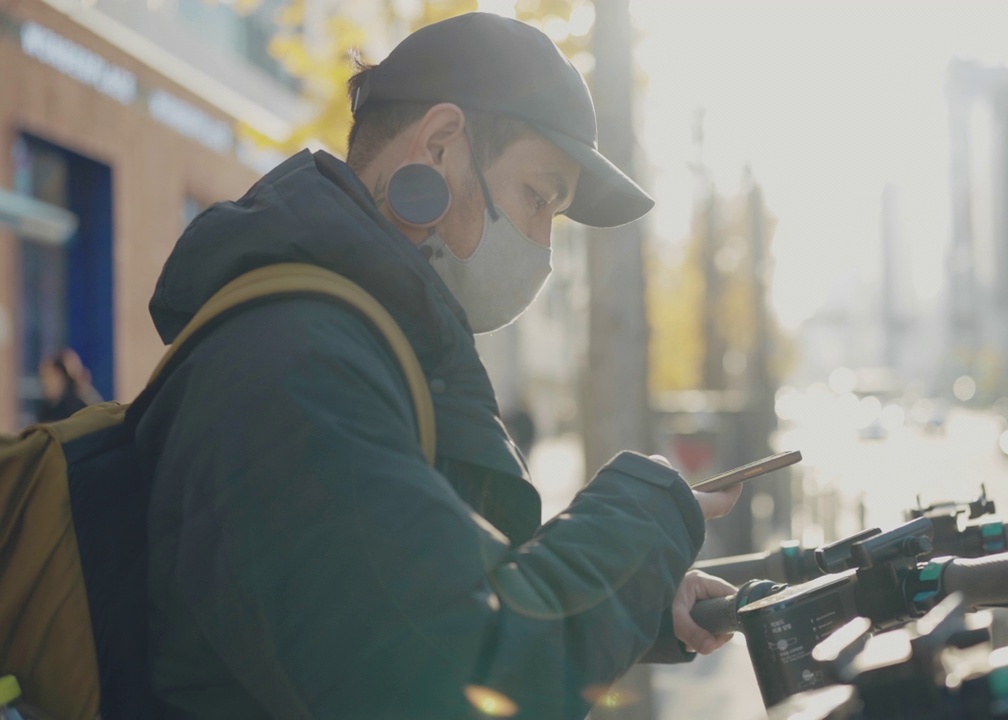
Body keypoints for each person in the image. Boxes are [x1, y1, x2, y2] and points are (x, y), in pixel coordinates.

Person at [136, 12, 742, 719]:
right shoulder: (296, 366)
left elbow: (434, 602)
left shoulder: (363, 351)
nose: (544, 247)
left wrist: (639, 597)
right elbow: (463, 681)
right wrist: (642, 519)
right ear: (441, 145)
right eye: (539, 198)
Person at [36, 347, 101, 422]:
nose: (45, 382)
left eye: (50, 376)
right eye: (43, 377)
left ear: (61, 377)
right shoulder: (46, 409)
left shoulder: (79, 407)